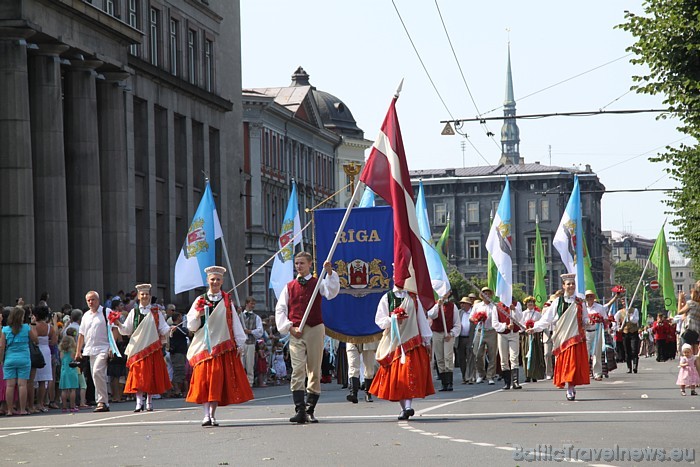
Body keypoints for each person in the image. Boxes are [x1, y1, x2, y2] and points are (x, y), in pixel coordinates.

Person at [275, 252, 339, 424]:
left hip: (315, 328)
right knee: (297, 370)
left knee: (314, 370)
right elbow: (280, 309)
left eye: (302, 263)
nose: (298, 266)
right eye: (296, 263)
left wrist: (330, 273)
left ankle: (310, 409)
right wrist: (289, 327)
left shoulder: (318, 283)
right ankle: (300, 409)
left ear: (310, 264)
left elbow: (331, 292)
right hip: (297, 330)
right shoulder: (289, 287)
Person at [186, 266, 253, 427]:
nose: (215, 282)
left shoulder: (226, 299)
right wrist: (198, 315)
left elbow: (234, 322)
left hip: (221, 347)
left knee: (215, 381)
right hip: (204, 346)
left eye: (217, 279)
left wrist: (239, 342)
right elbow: (191, 326)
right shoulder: (199, 300)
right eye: (212, 279)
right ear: (208, 281)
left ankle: (212, 414)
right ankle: (205, 414)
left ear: (222, 281)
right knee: (204, 381)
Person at [369, 285, 434, 420]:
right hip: (394, 342)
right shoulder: (387, 297)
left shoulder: (413, 298)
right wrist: (393, 318)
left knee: (408, 374)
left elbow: (421, 319)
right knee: (397, 377)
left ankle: (408, 406)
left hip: (411, 340)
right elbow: (379, 320)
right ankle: (404, 408)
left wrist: (427, 341)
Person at [529, 273, 590, 401]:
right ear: (563, 286)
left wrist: (587, 322)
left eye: (573, 284)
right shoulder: (558, 302)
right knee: (566, 363)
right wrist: (534, 328)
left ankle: (571, 387)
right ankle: (569, 386)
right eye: (568, 284)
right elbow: (547, 319)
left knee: (573, 363)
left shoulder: (580, 302)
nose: (571, 286)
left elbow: (585, 318)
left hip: (576, 336)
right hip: (562, 337)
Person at [116, 284, 172, 412]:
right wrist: (118, 324)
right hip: (137, 349)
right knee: (138, 376)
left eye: (147, 294)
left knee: (150, 375)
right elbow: (126, 330)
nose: (145, 296)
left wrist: (170, 329)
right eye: (142, 294)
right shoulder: (134, 312)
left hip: (152, 348)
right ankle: (138, 401)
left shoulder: (156, 312)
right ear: (139, 297)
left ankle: (149, 401)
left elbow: (163, 328)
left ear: (150, 296)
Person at [75, 291, 116, 413]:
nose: (91, 302)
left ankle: (102, 401)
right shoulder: (86, 316)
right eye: (88, 300)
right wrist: (78, 351)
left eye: (93, 299)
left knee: (98, 372)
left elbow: (114, 329)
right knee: (95, 375)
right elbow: (81, 335)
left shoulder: (106, 312)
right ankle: (102, 402)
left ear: (98, 300)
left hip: (103, 347)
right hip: (90, 349)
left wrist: (111, 347)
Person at [1, 307, 38, 415]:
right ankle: (22, 409)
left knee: (10, 385)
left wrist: (1, 359)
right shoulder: (26, 328)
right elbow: (36, 339)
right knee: (22, 385)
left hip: (9, 358)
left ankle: (9, 410)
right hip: (24, 358)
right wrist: (33, 325)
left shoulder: (5, 330)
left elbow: (2, 346)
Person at [428, 294, 461, 392]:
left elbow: (457, 323)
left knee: (448, 357)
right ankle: (444, 383)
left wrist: (451, 334)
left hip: (448, 334)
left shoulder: (452, 306)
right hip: (436, 333)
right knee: (439, 358)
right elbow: (432, 315)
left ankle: (450, 382)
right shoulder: (434, 305)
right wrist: (438, 305)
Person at [584, 290, 618, 381]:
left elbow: (605, 319)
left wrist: (599, 320)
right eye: (587, 296)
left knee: (596, 353)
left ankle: (597, 373)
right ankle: (585, 373)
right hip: (586, 332)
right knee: (585, 354)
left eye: (591, 296)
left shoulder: (599, 307)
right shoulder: (583, 308)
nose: (589, 298)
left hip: (597, 331)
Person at [493, 298, 523, 390]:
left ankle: (515, 382)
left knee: (514, 357)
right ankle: (507, 382)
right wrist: (505, 326)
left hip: (514, 334)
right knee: (504, 358)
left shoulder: (516, 304)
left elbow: (520, 318)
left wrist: (514, 309)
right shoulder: (497, 306)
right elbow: (495, 323)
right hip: (503, 334)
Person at [472, 287, 499, 385]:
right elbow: (472, 317)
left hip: (491, 331)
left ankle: (490, 375)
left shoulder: (494, 306)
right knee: (477, 354)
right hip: (480, 331)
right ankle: (480, 373)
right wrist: (477, 319)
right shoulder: (477, 306)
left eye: (488, 293)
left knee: (492, 354)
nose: (486, 295)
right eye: (484, 294)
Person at [33, 305, 57, 412]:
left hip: (35, 351)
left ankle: (31, 403)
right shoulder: (49, 327)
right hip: (46, 351)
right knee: (43, 380)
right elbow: (54, 341)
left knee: (32, 379)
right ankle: (40, 403)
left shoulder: (33, 326)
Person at [239, 297, 263, 386]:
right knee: (241, 364)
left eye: (254, 304)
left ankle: (249, 383)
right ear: (247, 304)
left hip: (251, 343)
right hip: (241, 344)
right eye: (251, 303)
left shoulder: (256, 317)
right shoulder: (240, 316)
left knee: (250, 364)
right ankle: (241, 382)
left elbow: (260, 331)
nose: (252, 306)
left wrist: (250, 331)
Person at [520, 296, 545, 383]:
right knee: (526, 354)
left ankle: (535, 374)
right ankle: (527, 375)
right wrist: (525, 329)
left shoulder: (538, 314)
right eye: (528, 302)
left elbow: (541, 324)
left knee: (535, 354)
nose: (530, 304)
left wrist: (534, 329)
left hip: (535, 336)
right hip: (526, 336)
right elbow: (520, 324)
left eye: (531, 302)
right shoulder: (523, 314)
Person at [345, 339, 378, 403]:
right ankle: (353, 393)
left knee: (369, 368)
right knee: (353, 366)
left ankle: (368, 393)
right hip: (352, 337)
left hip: (368, 338)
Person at [615, 297, 640, 374]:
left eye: (625, 301)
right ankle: (629, 367)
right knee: (627, 351)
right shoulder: (620, 312)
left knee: (634, 350)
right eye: (622, 302)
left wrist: (629, 315)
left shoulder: (634, 310)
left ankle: (635, 366)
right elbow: (615, 320)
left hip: (633, 332)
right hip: (625, 333)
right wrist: (617, 328)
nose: (624, 303)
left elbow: (635, 320)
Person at [456, 295, 477, 384]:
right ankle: (464, 376)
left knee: (470, 358)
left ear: (469, 304)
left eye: (464, 304)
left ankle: (470, 376)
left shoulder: (473, 313)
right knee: (461, 359)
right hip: (460, 338)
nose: (462, 305)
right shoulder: (459, 312)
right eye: (461, 303)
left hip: (470, 338)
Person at [169, 311, 189, 397]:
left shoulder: (177, 328)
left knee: (181, 371)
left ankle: (179, 390)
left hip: (181, 352)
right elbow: (186, 332)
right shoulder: (175, 328)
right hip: (178, 353)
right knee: (178, 371)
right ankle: (177, 390)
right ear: (178, 318)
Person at [677, 281, 700, 353]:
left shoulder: (691, 303)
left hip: (688, 328)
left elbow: (680, 311)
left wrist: (680, 299)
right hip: (697, 330)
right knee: (695, 351)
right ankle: (696, 364)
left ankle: (687, 363)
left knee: (686, 349)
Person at [59, 335, 80, 413]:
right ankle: (72, 406)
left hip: (64, 371)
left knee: (64, 390)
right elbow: (74, 359)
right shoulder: (72, 351)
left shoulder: (62, 352)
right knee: (72, 389)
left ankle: (64, 407)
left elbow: (62, 360)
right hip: (72, 370)